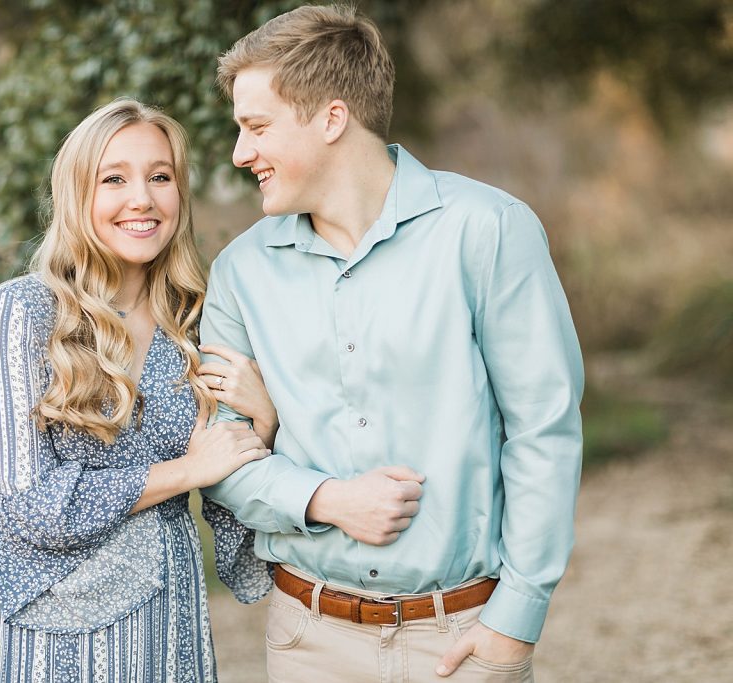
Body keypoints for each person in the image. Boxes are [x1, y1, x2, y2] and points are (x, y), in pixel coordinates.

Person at [196, 5, 584, 682]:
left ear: (332, 118)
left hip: (462, 639)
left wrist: (515, 620)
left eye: (256, 127)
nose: (240, 153)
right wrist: (326, 498)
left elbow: (543, 428)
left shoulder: (487, 231)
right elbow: (221, 458)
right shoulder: (240, 272)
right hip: (306, 643)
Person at [0, 98, 277, 683]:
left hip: (166, 634)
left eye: (161, 177)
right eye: (114, 179)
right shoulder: (20, 313)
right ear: (78, 195)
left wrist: (263, 427)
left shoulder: (201, 323)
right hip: (42, 647)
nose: (142, 200)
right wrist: (183, 473)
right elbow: (24, 508)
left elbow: (237, 534)